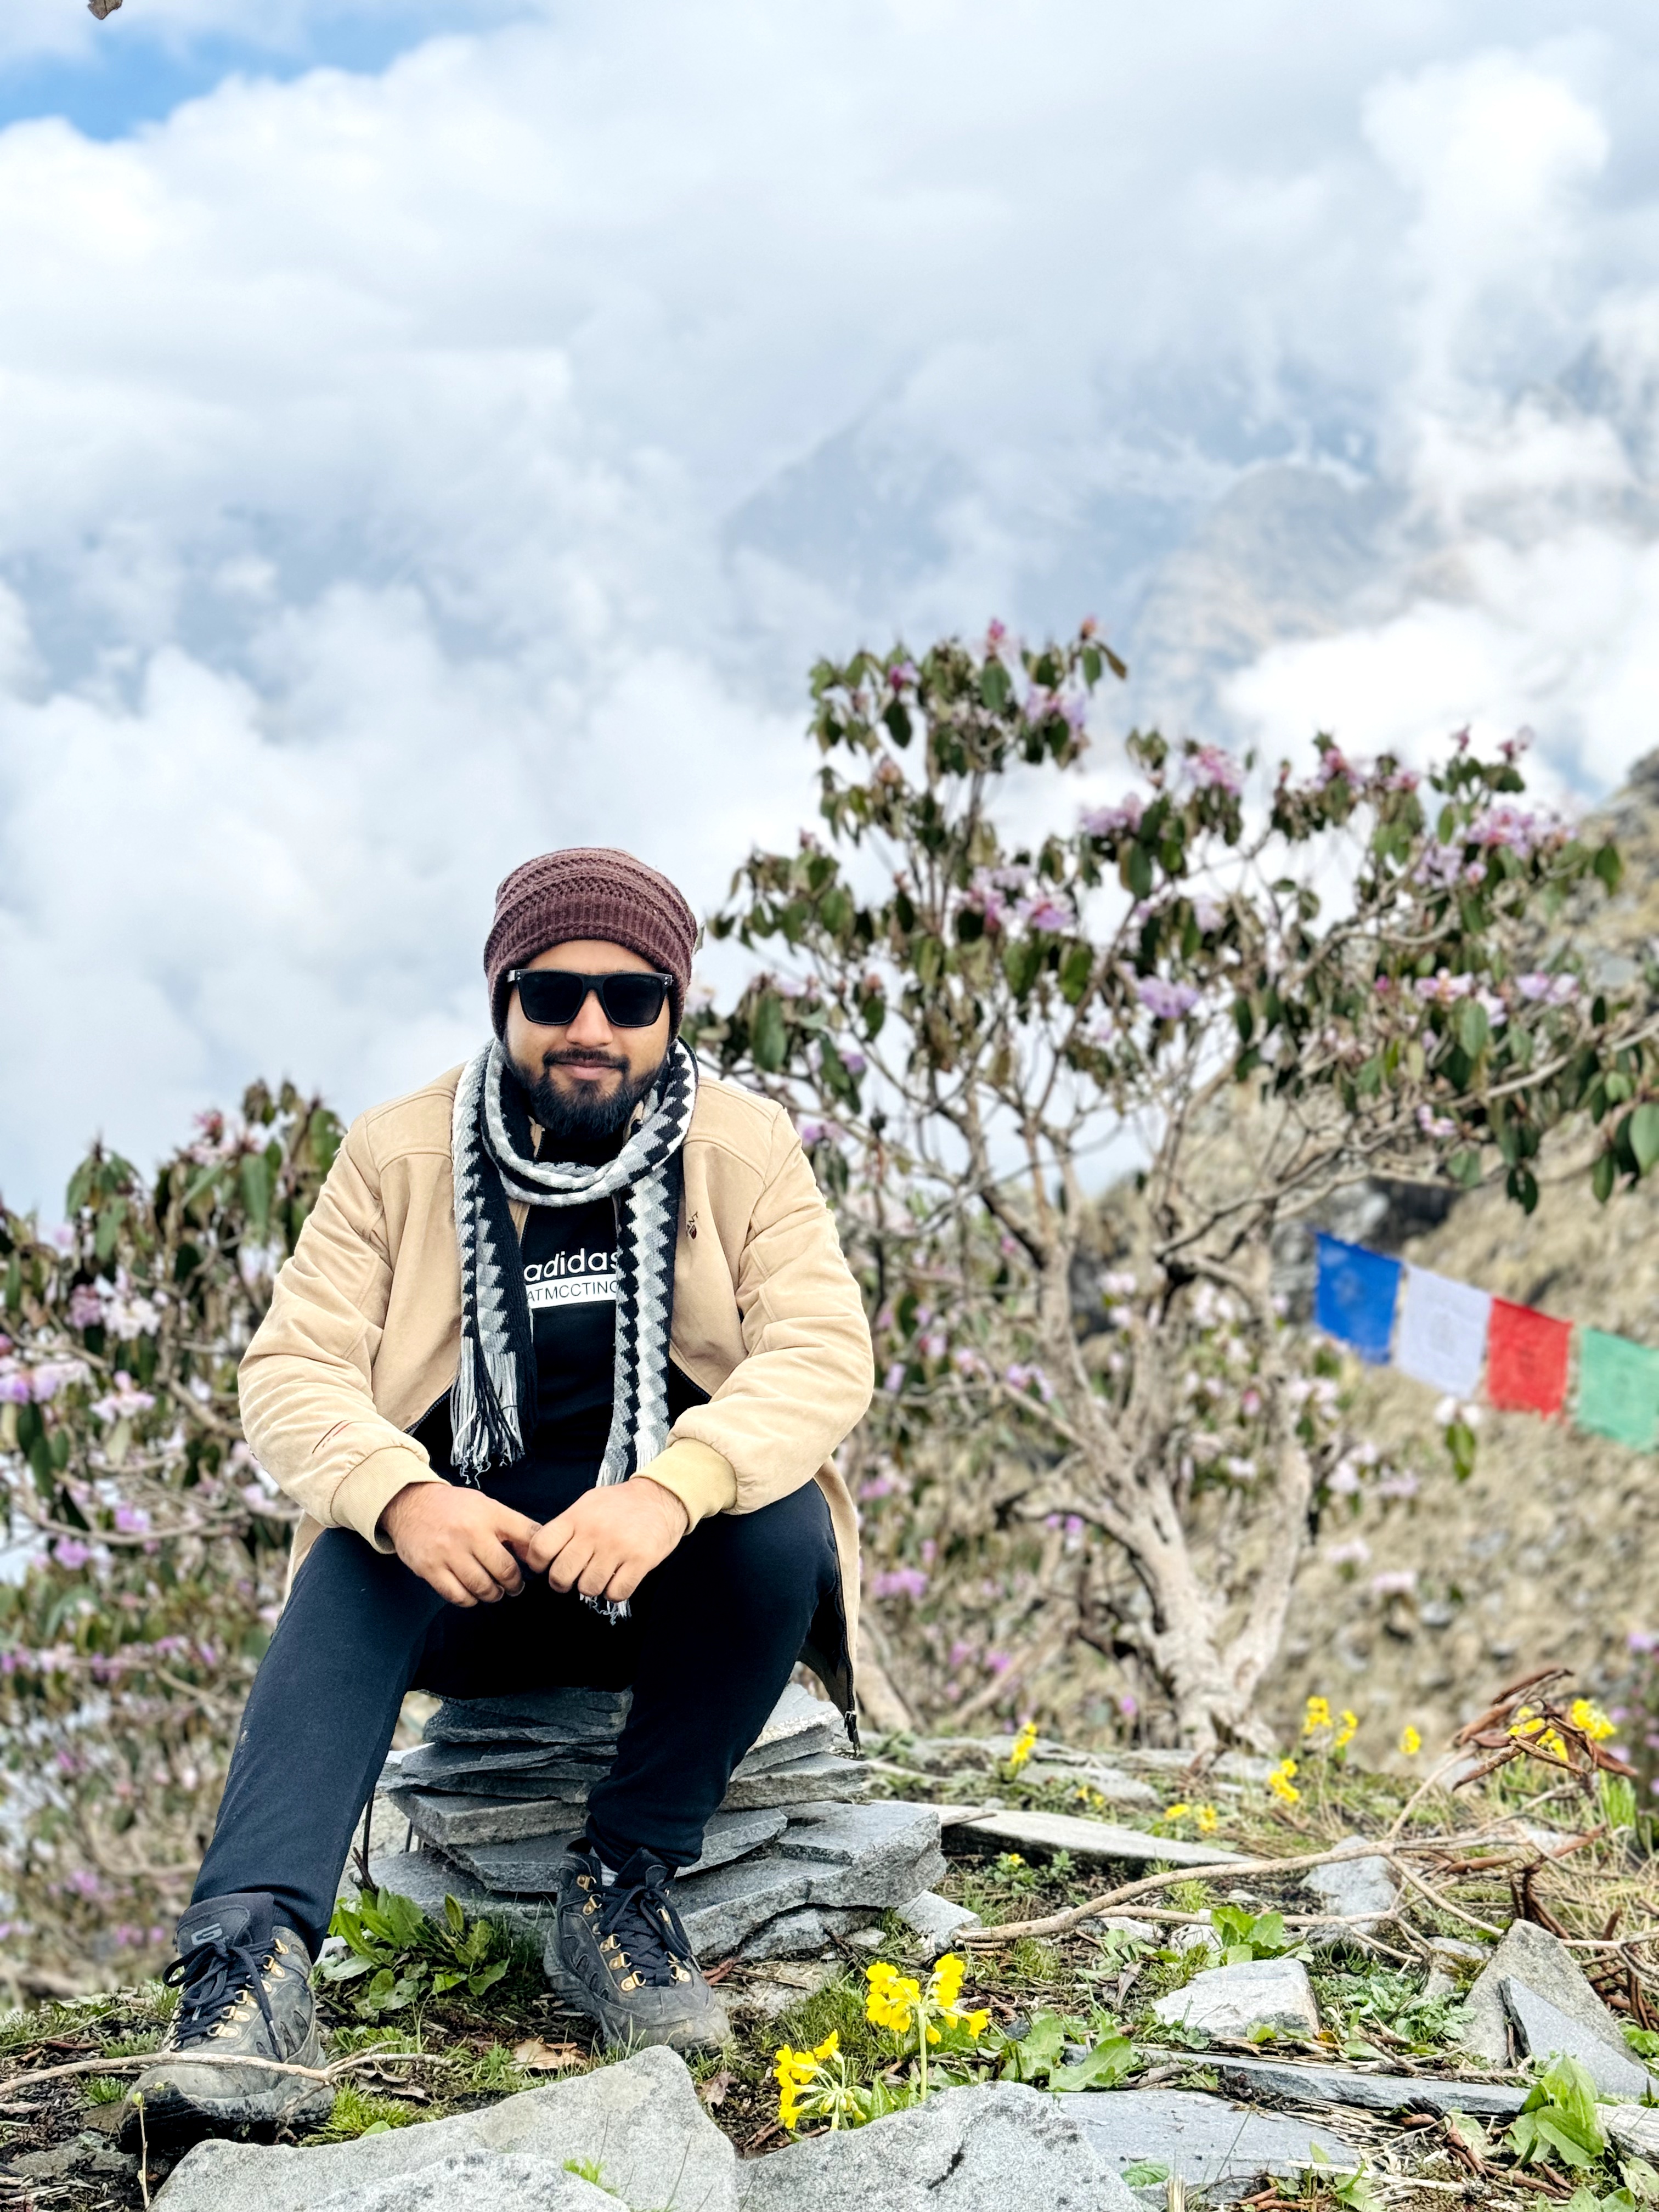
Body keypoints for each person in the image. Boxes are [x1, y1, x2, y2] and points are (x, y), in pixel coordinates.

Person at [129, 848, 873, 2137]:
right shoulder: (398, 1154)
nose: (592, 1029)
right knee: (358, 1549)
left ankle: (620, 1893)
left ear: (672, 1011)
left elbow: (822, 1354)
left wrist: (671, 1489)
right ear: (503, 996)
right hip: (464, 1576)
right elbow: (295, 1371)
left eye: (631, 1000)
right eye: (555, 993)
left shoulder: (743, 1147)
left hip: (652, 1579)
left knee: (780, 1518)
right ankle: (249, 1974)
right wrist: (405, 1496)